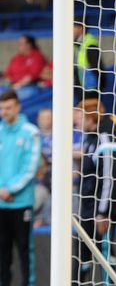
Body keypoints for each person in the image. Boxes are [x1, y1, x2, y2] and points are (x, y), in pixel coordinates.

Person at [72, 98, 116, 283]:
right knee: (82, 255)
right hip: (88, 207)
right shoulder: (89, 139)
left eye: (79, 118)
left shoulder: (106, 138)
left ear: (91, 118)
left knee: (105, 254)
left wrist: (103, 212)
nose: (75, 122)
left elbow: (109, 179)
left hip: (101, 210)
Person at [0, 90, 41, 286]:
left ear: (18, 107)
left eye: (8, 108)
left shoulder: (30, 132)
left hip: (21, 201)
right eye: (1, 108)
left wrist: (10, 189)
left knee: (24, 248)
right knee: (2, 250)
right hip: (1, 202)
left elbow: (30, 167)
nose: (4, 112)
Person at [73, 21, 101, 101]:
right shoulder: (75, 43)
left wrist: (99, 84)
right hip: (80, 84)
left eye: (73, 27)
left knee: (90, 106)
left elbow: (96, 66)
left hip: (89, 86)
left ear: (81, 28)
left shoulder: (89, 43)